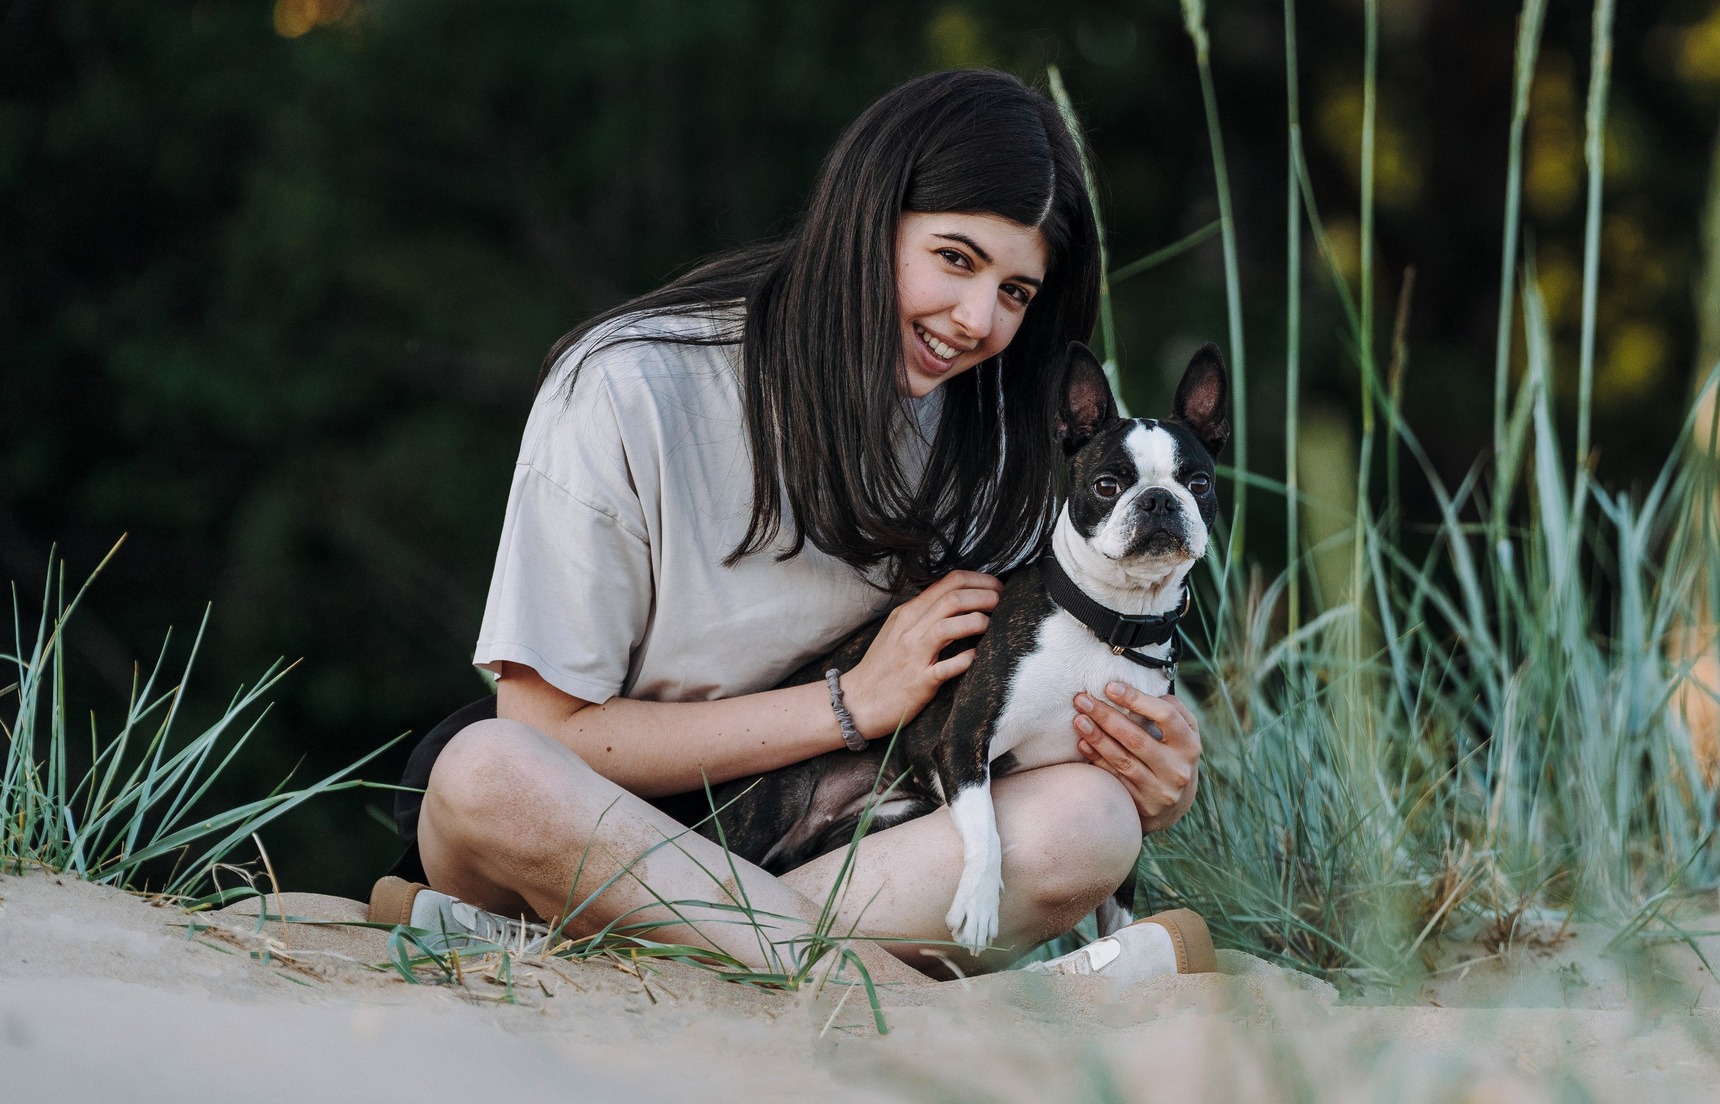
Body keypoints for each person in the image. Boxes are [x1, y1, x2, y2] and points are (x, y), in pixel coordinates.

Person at [386, 69, 1207, 983]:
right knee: (486, 771)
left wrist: (1153, 777)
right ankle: (908, 1000)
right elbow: (549, 732)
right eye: (954, 258)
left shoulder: (1003, 438)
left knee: (1091, 820)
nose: (977, 320)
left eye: (1016, 292)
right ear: (869, 217)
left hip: (843, 853)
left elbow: (1018, 718)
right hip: (588, 829)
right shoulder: (627, 387)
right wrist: (850, 703)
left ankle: (689, 959)